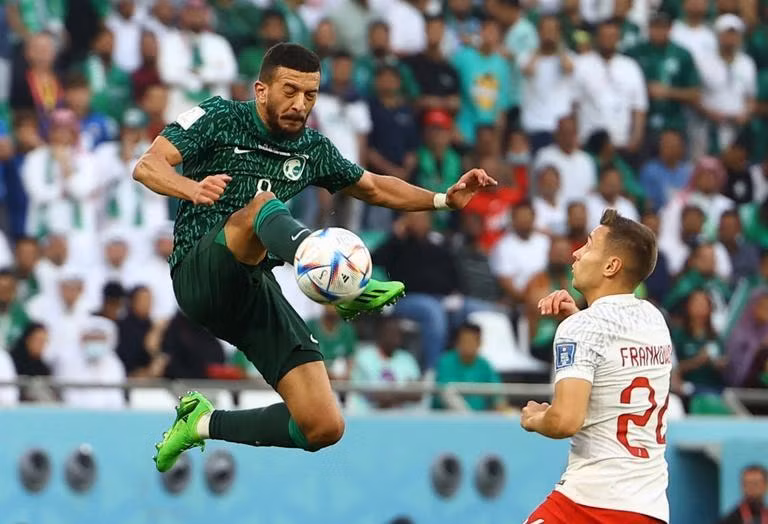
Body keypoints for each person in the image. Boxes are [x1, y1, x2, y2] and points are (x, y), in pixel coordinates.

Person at [133, 43, 495, 473]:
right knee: (260, 206)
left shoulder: (312, 149)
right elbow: (147, 165)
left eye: (310, 95)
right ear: (261, 90)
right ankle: (342, 286)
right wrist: (190, 188)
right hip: (199, 271)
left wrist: (442, 200)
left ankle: (201, 423)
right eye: (289, 91)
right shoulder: (218, 117)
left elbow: (374, 187)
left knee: (322, 425)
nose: (299, 104)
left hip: (251, 289)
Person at [523, 209, 671, 524]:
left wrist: (534, 418)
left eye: (588, 246)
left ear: (611, 265)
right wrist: (578, 318)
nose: (576, 253)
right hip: (650, 507)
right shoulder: (654, 318)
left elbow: (565, 421)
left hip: (590, 504)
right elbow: (615, 359)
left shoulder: (582, 329)